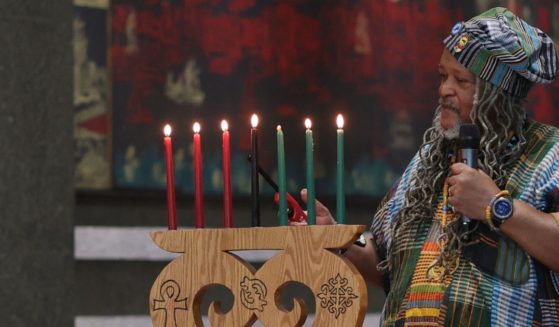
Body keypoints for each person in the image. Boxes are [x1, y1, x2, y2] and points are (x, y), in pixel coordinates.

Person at [298, 7, 559, 326]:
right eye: (442, 76)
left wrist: (495, 206)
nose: (443, 89)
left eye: (460, 80)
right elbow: (384, 268)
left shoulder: (548, 154)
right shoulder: (427, 160)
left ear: (497, 95)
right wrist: (337, 238)